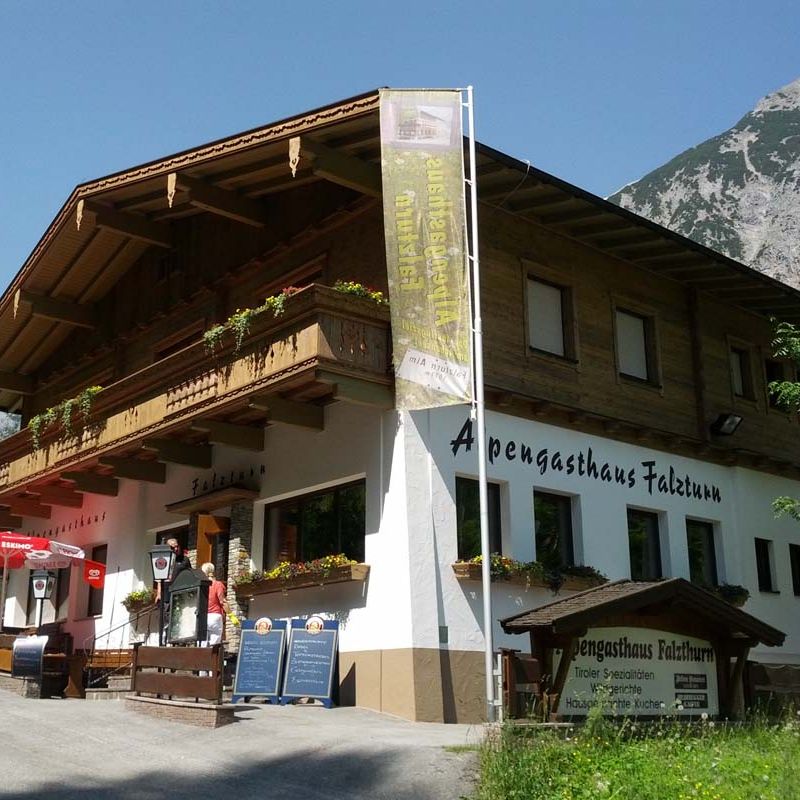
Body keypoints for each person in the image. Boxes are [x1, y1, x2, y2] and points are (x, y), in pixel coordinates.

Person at [201, 562, 231, 646]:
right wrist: (231, 615)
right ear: (213, 571)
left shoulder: (202, 585)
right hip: (215, 616)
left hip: (203, 617)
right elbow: (222, 601)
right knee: (214, 645)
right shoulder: (218, 584)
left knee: (202, 644)